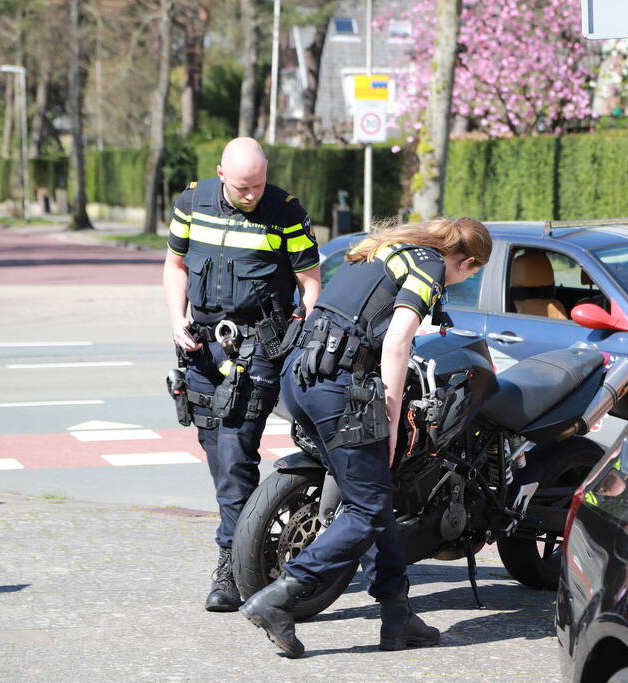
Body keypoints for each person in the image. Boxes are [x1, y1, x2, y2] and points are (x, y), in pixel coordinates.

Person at [239, 217, 492, 658]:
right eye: (470, 273)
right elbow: (397, 344)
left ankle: (398, 615)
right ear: (467, 261)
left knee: (376, 496)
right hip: (338, 386)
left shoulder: (384, 250)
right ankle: (279, 597)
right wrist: (392, 420)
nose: (464, 278)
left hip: (300, 375)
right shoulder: (429, 265)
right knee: (370, 508)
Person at [162, 137, 321, 613]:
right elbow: (175, 265)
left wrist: (299, 330)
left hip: (256, 347)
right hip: (203, 348)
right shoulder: (192, 201)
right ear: (220, 174)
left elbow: (309, 279)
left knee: (234, 458)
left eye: (258, 184)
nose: (252, 194)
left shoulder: (285, 210)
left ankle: (232, 569)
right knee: (217, 455)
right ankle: (257, 546)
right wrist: (176, 319)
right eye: (242, 187)